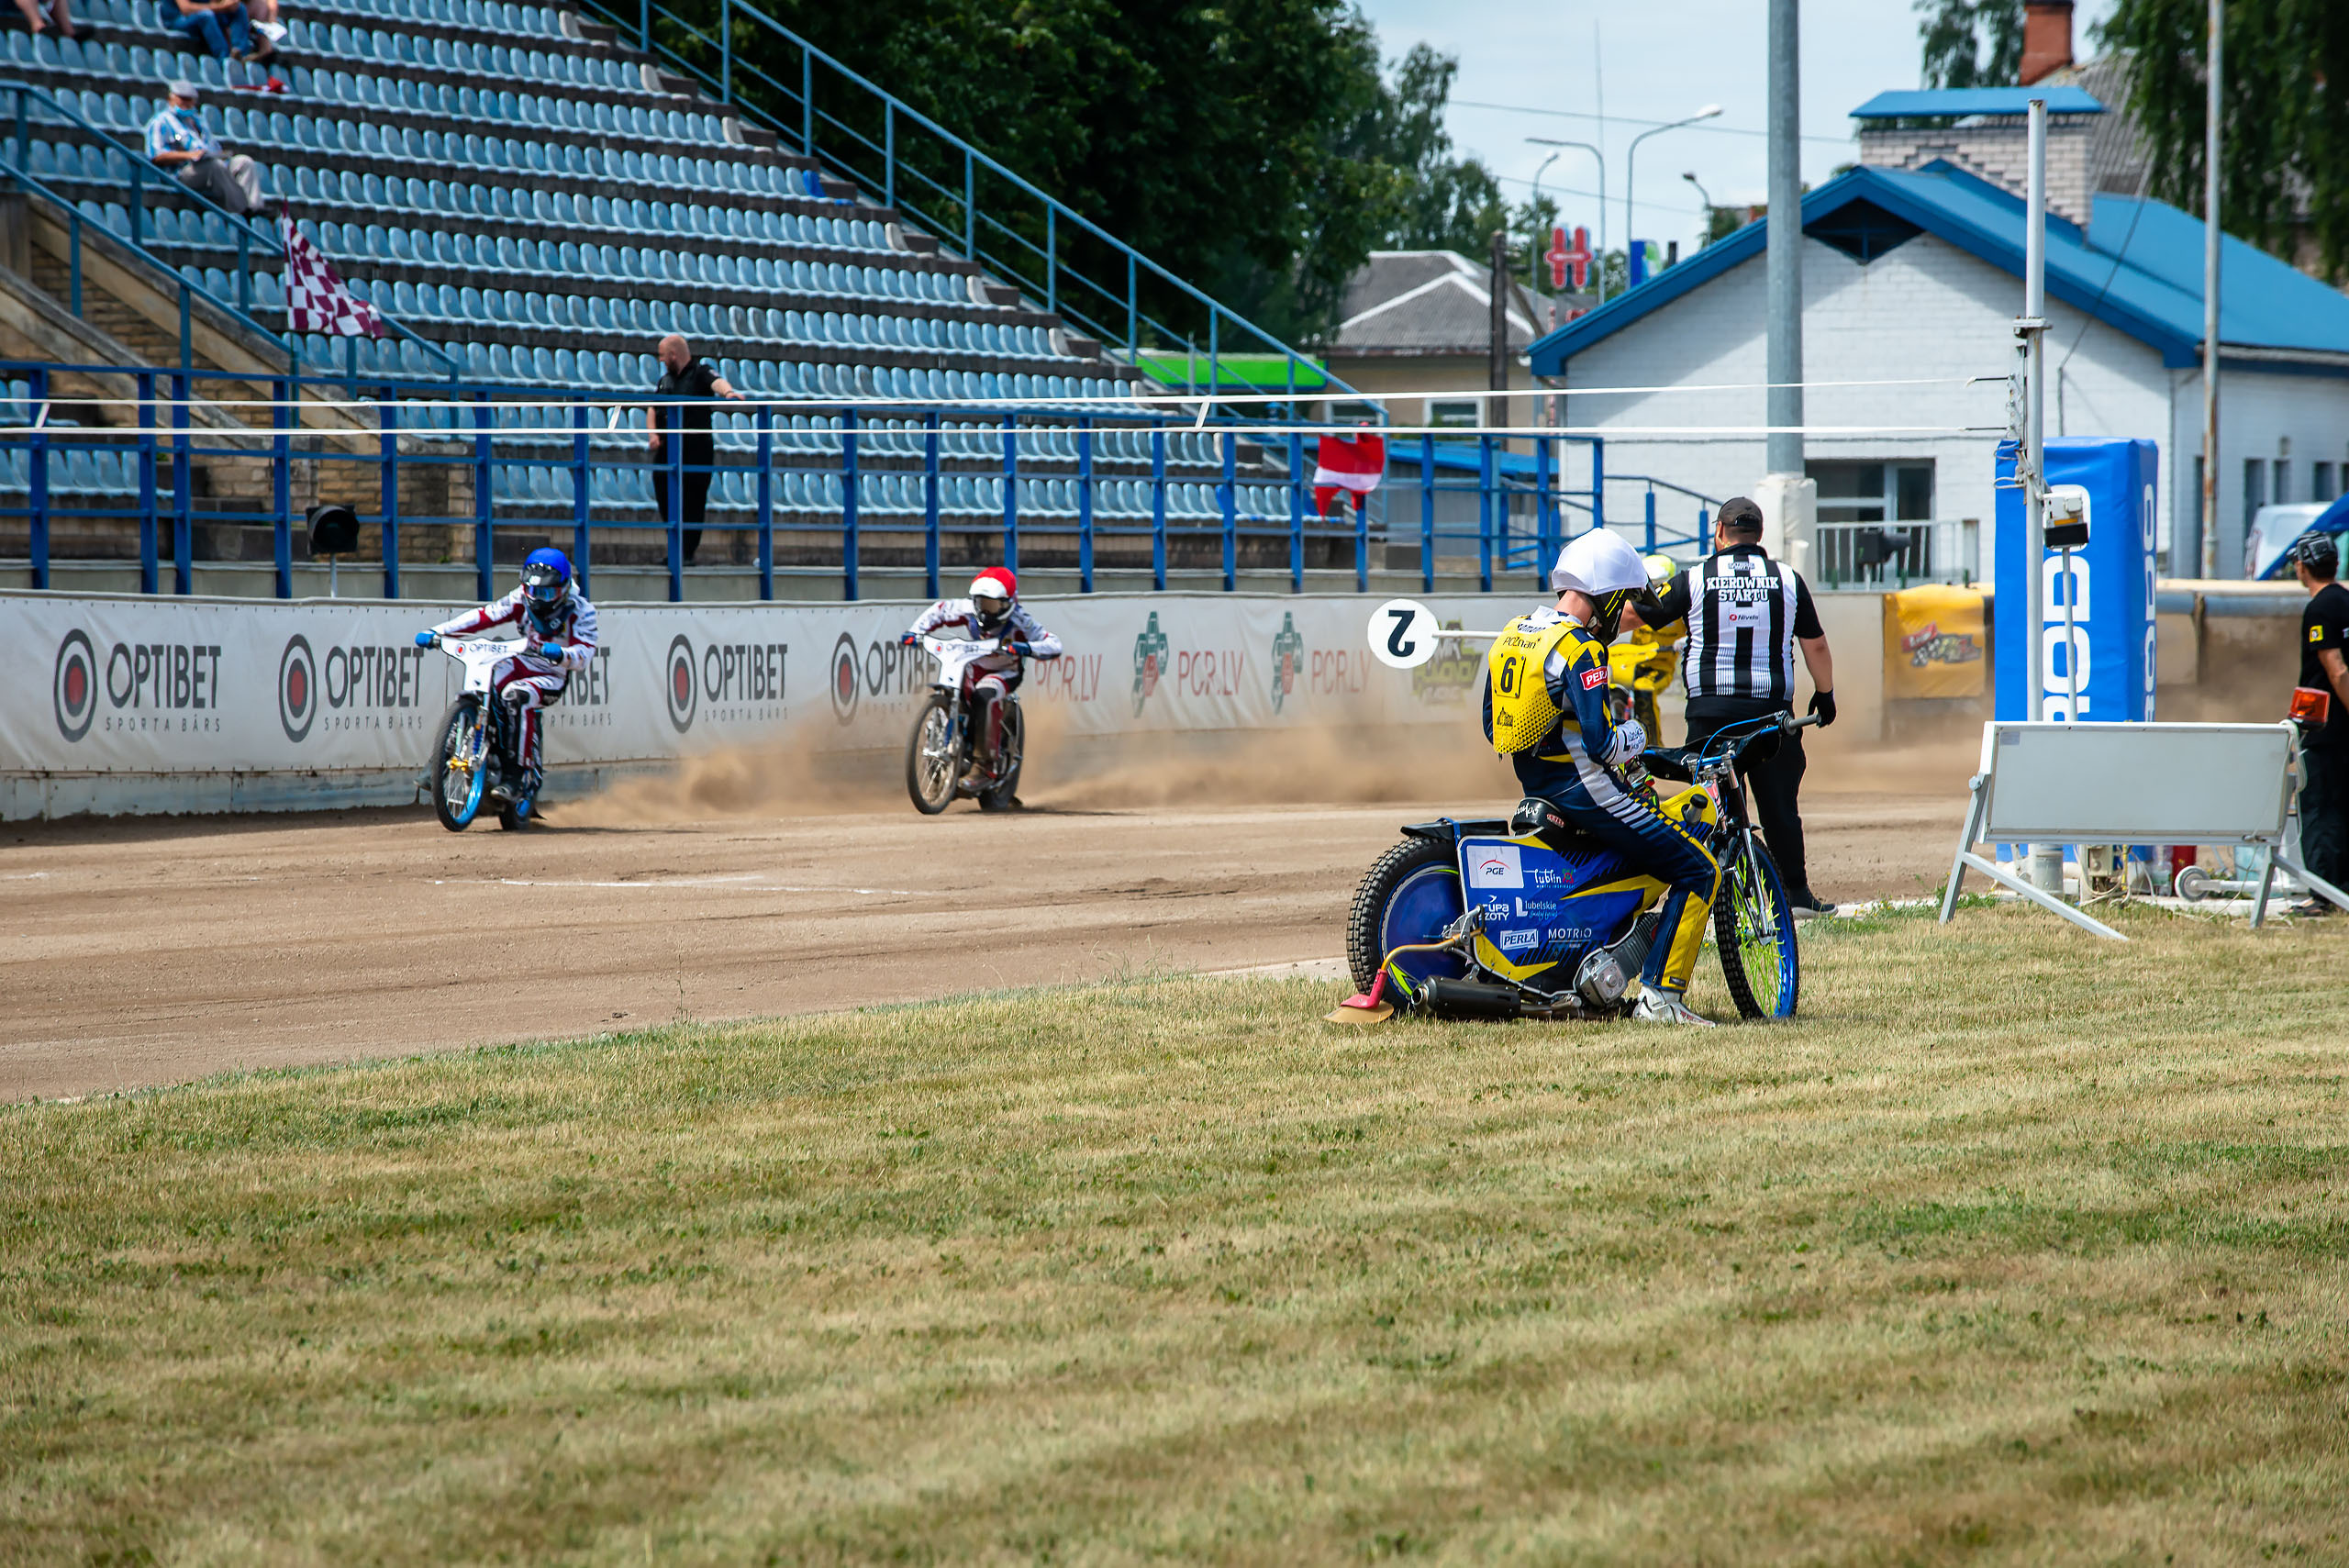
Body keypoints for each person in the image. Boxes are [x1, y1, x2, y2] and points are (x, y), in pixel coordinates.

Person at [1482, 528, 1723, 1027]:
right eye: (1626, 600)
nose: (1625, 613)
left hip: (1538, 788)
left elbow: (1492, 725)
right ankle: (1662, 1000)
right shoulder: (1583, 649)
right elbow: (1602, 745)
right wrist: (1635, 734)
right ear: (1608, 597)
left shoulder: (1515, 632)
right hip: (1591, 792)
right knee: (1700, 869)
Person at [1648, 495, 1838, 917]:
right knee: (1780, 808)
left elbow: (1641, 616)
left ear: (1719, 533)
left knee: (1709, 808)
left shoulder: (1695, 578)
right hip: (1771, 716)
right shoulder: (1787, 579)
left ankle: (1705, 898)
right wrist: (1824, 695)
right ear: (1760, 536)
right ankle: (1795, 895)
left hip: (1710, 715)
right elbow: (1817, 646)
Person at [412, 548, 596, 823]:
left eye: (545, 594)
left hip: (552, 674)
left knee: (515, 696)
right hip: (520, 659)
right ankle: (442, 758)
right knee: (483, 680)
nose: (536, 599)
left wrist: (561, 654)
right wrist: (439, 631)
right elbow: (484, 616)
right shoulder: (520, 598)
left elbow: (585, 653)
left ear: (563, 589)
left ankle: (516, 775)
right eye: (531, 591)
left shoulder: (582, 611)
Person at [900, 569, 1062, 791]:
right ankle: (943, 746)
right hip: (971, 666)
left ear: (1007, 604)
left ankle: (985, 766)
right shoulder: (967, 609)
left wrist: (1027, 647)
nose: (985, 611)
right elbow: (937, 611)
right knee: (951, 690)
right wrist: (914, 632)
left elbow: (1053, 644)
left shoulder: (1021, 619)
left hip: (1005, 673)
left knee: (984, 697)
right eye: (980, 603)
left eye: (992, 605)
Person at [2289, 533, 2349, 916]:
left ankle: (2322, 893)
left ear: (2302, 567)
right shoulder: (2346, 600)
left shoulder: (2320, 610)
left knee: (2318, 806)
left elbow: (2336, 668)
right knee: (2343, 806)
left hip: (2326, 729)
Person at [646, 335, 742, 563]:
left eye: (662, 355)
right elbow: (652, 408)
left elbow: (717, 382)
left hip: (696, 447)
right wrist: (653, 434)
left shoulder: (700, 372)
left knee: (694, 499)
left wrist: (728, 394)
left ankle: (686, 552)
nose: (661, 360)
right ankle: (675, 548)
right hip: (669, 448)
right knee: (664, 492)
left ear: (673, 355)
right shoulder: (665, 380)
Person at [143, 83, 264, 215]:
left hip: (207, 164)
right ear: (171, 98)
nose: (186, 103)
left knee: (244, 162)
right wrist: (189, 155)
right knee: (214, 166)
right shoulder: (160, 121)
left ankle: (254, 208)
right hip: (181, 173)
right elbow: (156, 156)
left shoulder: (197, 121)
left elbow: (212, 148)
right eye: (182, 98)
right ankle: (240, 210)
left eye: (190, 99)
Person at [1609, 551, 1686, 740]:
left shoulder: (1678, 604)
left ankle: (1652, 743)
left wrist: (1685, 640)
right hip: (1635, 660)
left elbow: (1694, 628)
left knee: (1645, 688)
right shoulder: (1633, 601)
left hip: (1661, 665)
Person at [161, 0, 271, 61]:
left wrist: (227, 5)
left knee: (239, 8)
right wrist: (221, 7)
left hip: (202, 17)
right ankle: (223, 58)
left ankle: (240, 51)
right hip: (178, 20)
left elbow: (213, 3)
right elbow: (186, 9)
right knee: (206, 16)